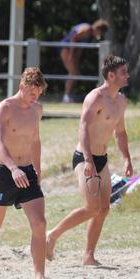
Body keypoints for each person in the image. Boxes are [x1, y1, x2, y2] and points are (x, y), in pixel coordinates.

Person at [47, 55, 133, 265]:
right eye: (123, 72)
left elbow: (120, 132)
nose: (127, 75)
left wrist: (127, 159)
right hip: (84, 157)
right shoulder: (95, 98)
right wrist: (87, 161)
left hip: (101, 158)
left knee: (104, 208)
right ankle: (51, 235)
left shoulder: (121, 100)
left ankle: (88, 256)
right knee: (92, 207)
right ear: (111, 75)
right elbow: (83, 128)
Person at [0, 67, 47, 279]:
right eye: (32, 93)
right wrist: (13, 169)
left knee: (40, 224)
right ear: (22, 86)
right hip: (5, 173)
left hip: (27, 172)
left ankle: (39, 274)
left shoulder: (37, 109)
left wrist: (37, 170)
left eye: (38, 94)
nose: (35, 98)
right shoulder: (4, 108)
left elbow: (35, 140)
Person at [60, 19, 109, 103]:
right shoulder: (86, 29)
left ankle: (68, 95)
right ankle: (66, 96)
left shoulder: (89, 36)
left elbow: (80, 48)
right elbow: (73, 38)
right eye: (100, 33)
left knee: (75, 73)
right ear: (98, 29)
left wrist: (76, 59)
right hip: (66, 48)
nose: (99, 35)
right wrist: (71, 55)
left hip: (71, 50)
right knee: (73, 72)